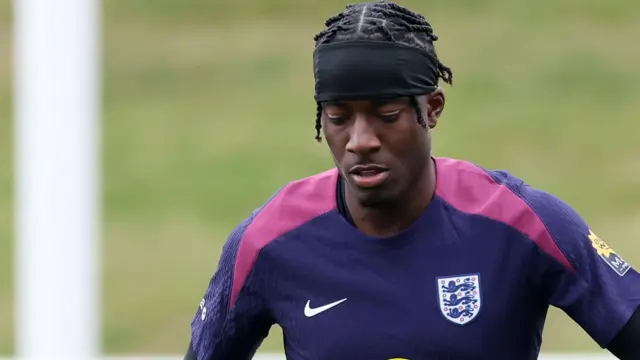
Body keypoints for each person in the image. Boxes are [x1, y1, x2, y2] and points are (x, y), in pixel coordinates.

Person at [184, 1, 640, 359]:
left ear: (432, 109)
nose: (360, 140)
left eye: (386, 116)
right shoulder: (268, 240)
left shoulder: (522, 223)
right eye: (339, 118)